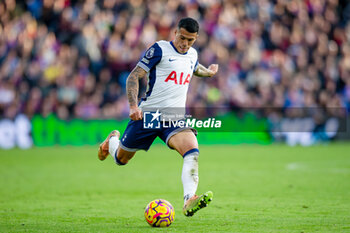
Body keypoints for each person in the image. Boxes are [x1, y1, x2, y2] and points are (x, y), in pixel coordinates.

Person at [98, 17, 219, 217]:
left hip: (173, 116)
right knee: (121, 159)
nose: (185, 43)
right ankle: (112, 141)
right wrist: (133, 105)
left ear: (196, 39)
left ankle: (189, 198)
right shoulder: (160, 49)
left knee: (192, 150)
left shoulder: (192, 54)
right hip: (149, 115)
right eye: (182, 38)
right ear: (175, 32)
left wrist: (209, 73)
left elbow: (194, 67)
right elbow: (134, 76)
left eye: (190, 40)